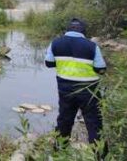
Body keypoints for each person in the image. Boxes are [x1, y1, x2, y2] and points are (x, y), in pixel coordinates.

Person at [44, 18, 107, 152]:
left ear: (67, 29)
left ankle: (59, 152)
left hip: (65, 90)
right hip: (89, 92)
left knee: (64, 121)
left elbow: (48, 63)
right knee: (94, 124)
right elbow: (101, 69)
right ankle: (101, 156)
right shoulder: (92, 46)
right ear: (83, 31)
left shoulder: (55, 43)